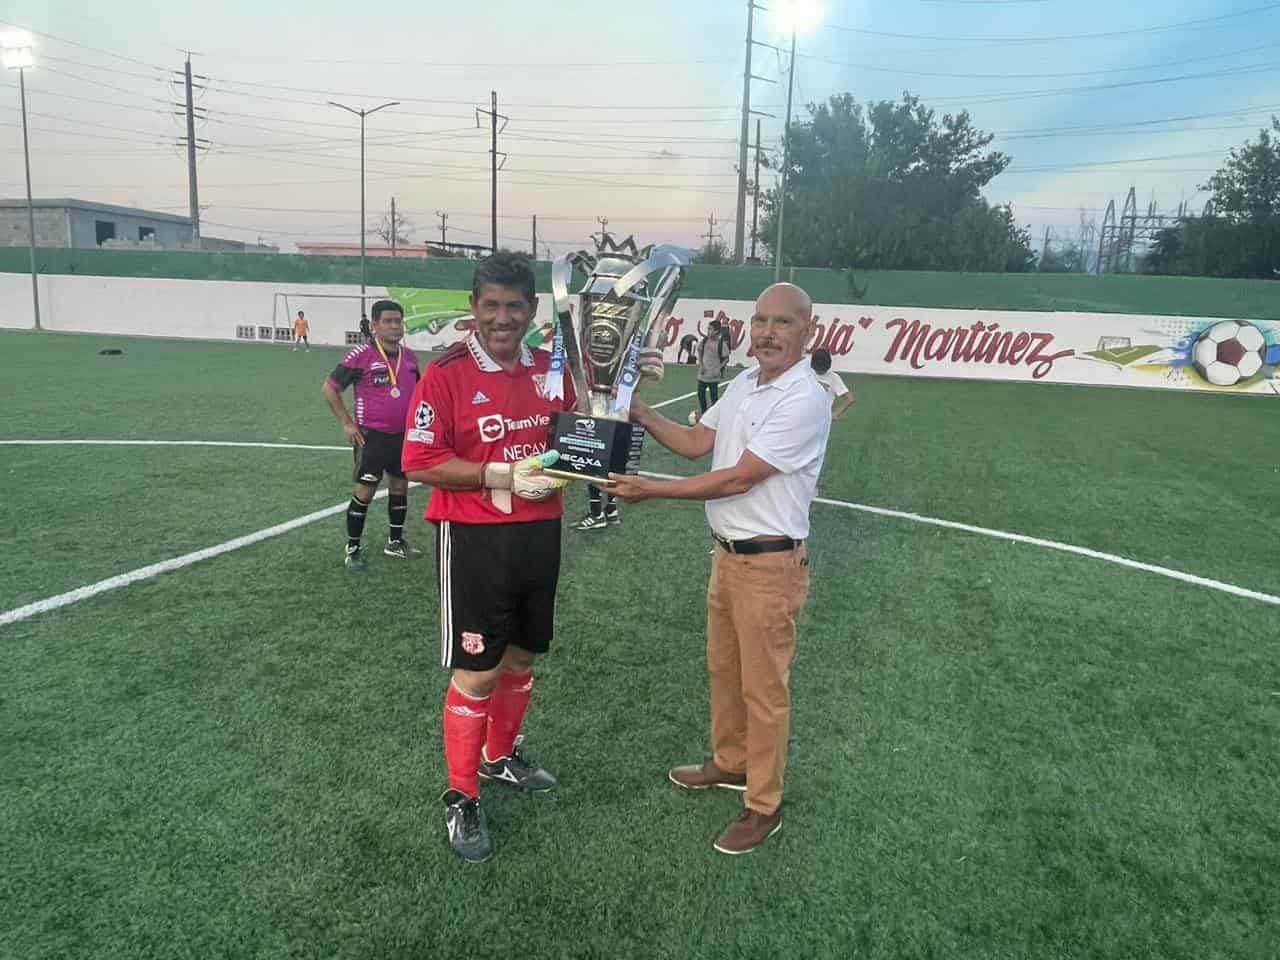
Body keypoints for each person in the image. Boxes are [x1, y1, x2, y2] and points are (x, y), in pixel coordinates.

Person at [610, 282, 831, 856]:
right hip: (728, 558)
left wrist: (652, 491)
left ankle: (764, 804)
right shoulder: (744, 383)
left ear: (809, 330)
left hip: (771, 564)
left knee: (764, 689)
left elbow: (739, 477)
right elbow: (693, 442)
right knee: (724, 672)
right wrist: (635, 411)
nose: (768, 332)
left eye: (783, 322)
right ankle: (731, 763)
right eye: (760, 321)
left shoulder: (804, 398)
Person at [399, 254, 575, 864]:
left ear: (532, 310)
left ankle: (500, 758)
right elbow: (419, 463)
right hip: (474, 538)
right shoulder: (445, 376)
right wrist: (498, 474)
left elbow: (585, 432)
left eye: (515, 306)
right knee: (479, 669)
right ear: (473, 308)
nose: (503, 318)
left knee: (523, 656)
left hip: (540, 534)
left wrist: (626, 390)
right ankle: (462, 792)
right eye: (492, 306)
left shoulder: (553, 370)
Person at [322, 299, 422, 572]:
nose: (394, 326)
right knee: (365, 491)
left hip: (403, 436)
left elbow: (421, 393)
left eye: (398, 321)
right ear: (375, 325)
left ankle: (395, 541)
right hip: (372, 437)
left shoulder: (410, 357)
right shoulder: (360, 356)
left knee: (400, 488)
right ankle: (352, 548)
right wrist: (348, 423)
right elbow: (330, 388)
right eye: (388, 321)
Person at [695, 319, 731, 419]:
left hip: (713, 376)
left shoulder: (721, 344)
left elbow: (726, 358)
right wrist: (701, 365)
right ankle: (704, 412)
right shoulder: (704, 341)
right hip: (703, 374)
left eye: (710, 329)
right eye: (708, 328)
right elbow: (699, 352)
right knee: (700, 394)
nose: (708, 331)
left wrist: (718, 369)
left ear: (716, 331)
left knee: (714, 396)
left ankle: (714, 416)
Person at [810, 347, 854, 421]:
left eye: (822, 370)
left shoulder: (833, 378)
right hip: (804, 415)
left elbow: (849, 399)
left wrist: (836, 413)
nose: (820, 372)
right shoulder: (806, 373)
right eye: (818, 369)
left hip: (821, 418)